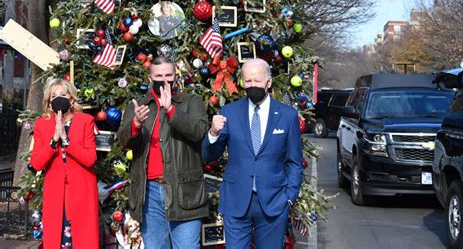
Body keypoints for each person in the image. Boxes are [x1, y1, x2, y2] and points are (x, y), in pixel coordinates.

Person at [202, 58, 303, 248]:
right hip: (236, 200)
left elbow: (295, 162)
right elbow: (210, 156)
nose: (252, 85)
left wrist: (289, 197)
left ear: (269, 82)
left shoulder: (287, 115)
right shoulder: (229, 111)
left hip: (274, 202)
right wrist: (213, 133)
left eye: (257, 81)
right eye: (247, 81)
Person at [118, 56, 209, 249]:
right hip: (149, 193)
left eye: (169, 75)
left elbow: (198, 132)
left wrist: (171, 109)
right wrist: (135, 124)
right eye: (159, 75)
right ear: (150, 77)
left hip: (184, 191)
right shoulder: (138, 106)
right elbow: (123, 142)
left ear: (176, 76)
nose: (164, 80)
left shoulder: (191, 102)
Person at [29, 78, 99, 248]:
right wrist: (54, 140)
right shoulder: (42, 125)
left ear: (71, 98)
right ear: (49, 101)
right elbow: (36, 164)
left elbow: (90, 159)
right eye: (53, 96)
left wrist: (66, 140)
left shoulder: (85, 121)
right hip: (55, 193)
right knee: (57, 240)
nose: (58, 99)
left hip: (82, 191)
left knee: (84, 241)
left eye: (62, 94)